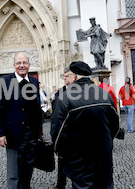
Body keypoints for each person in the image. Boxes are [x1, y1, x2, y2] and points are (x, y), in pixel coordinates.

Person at [51, 61, 119, 189]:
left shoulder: (64, 98)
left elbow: (57, 133)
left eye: (68, 76)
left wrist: (61, 153)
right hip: (103, 155)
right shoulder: (104, 95)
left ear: (75, 76)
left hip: (79, 158)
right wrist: (106, 143)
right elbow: (115, 125)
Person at [0, 52, 43, 188]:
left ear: (29, 65)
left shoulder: (34, 81)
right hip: (13, 134)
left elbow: (36, 108)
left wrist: (39, 131)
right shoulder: (4, 81)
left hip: (32, 135)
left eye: (24, 63)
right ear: (14, 65)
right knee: (14, 173)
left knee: (28, 169)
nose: (22, 65)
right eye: (19, 63)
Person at [52, 68, 75, 189]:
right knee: (62, 160)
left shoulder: (80, 92)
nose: (65, 78)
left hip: (76, 132)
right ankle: (61, 184)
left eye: (67, 76)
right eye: (63, 76)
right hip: (63, 130)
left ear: (74, 76)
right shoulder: (60, 93)